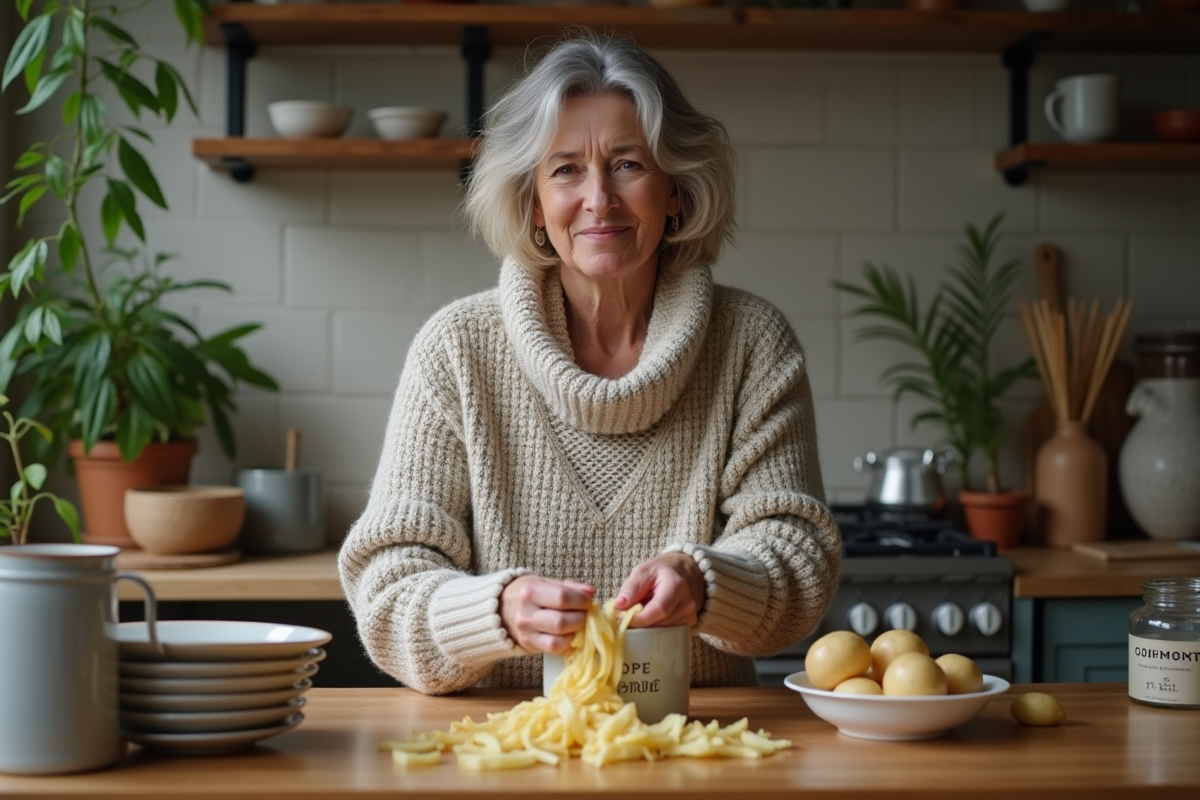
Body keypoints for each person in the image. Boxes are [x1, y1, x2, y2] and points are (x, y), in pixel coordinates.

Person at [338, 31, 841, 695]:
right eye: (567, 169)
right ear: (535, 204)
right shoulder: (456, 349)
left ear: (675, 193)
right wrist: (496, 612)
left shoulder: (752, 343)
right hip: (502, 741)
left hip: (698, 741)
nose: (599, 198)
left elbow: (798, 560)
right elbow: (388, 587)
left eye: (628, 164)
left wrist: (706, 583)